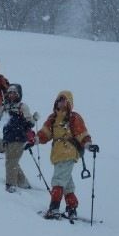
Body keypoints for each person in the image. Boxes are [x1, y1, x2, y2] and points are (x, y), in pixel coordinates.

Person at [36, 90, 96, 219]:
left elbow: (82, 134)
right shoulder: (53, 118)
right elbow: (45, 134)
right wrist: (35, 140)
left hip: (68, 152)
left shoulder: (73, 117)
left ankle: (54, 208)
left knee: (58, 180)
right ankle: (72, 209)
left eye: (64, 100)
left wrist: (88, 145)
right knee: (67, 183)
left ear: (69, 103)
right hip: (57, 154)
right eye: (59, 100)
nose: (61, 103)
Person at [1, 83, 37, 193]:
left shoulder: (22, 106)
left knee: (11, 162)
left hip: (18, 138)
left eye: (14, 93)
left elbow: (30, 122)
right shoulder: (6, 106)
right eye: (10, 93)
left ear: (19, 94)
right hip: (8, 138)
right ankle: (23, 183)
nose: (11, 95)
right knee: (11, 161)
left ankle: (10, 184)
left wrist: (30, 120)